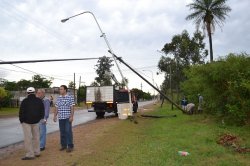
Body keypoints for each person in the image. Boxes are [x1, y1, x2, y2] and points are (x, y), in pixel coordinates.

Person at [19, 87, 44, 160]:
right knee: (36, 137)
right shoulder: (39, 101)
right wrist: (40, 118)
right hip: (36, 122)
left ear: (27, 93)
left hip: (26, 122)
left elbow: (21, 112)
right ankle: (37, 152)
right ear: (34, 92)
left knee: (28, 138)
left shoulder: (24, 101)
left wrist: (21, 120)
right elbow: (42, 111)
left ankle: (30, 154)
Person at [53, 85, 75, 153]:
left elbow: (72, 107)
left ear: (65, 90)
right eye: (60, 89)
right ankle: (63, 145)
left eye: (61, 89)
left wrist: (71, 116)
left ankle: (70, 146)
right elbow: (56, 107)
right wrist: (55, 116)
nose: (60, 90)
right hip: (61, 118)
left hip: (67, 118)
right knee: (62, 132)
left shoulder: (70, 97)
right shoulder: (58, 98)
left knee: (68, 131)